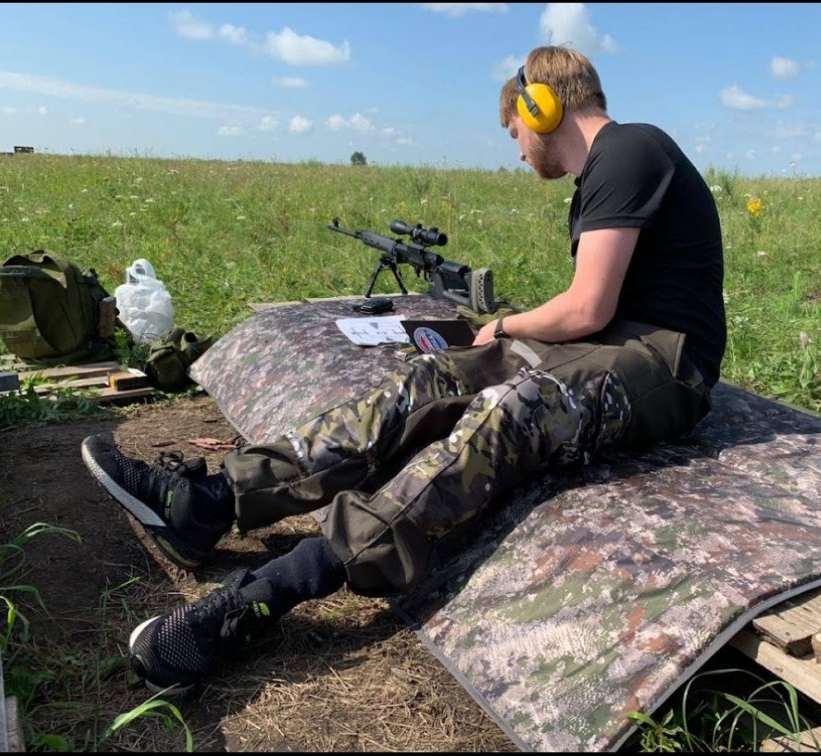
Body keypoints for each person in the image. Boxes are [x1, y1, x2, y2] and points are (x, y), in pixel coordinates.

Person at [81, 44, 727, 694]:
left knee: (513, 410)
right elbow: (593, 311)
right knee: (433, 379)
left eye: (515, 132)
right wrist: (494, 339)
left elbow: (588, 306)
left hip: (669, 362)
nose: (518, 151)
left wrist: (505, 326)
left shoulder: (629, 149)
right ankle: (213, 501)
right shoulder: (606, 169)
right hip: (609, 344)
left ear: (541, 107)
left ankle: (271, 591)